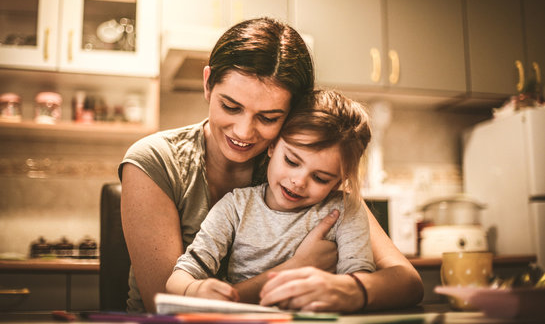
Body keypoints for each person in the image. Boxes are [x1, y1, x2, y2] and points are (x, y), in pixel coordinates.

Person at [119, 17, 423, 313]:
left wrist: (352, 290)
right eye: (230, 106)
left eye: (268, 118)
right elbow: (165, 305)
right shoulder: (154, 160)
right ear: (208, 84)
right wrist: (294, 271)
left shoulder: (294, 165)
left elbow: (405, 279)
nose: (243, 131)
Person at [166, 90, 375, 312]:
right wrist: (195, 290)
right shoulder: (235, 207)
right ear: (272, 147)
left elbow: (360, 279)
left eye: (320, 178)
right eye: (291, 161)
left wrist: (340, 290)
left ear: (337, 183)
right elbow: (177, 279)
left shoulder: (344, 209)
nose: (299, 181)